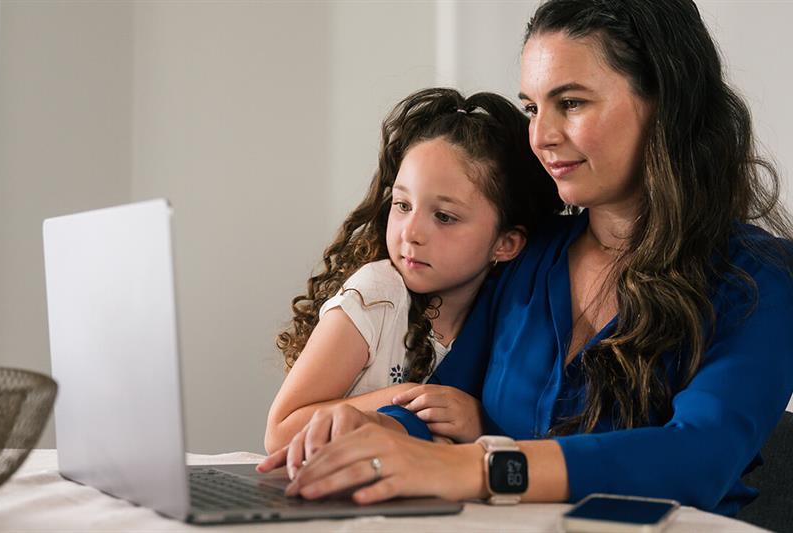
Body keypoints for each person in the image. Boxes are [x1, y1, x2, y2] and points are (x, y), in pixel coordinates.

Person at [259, 0, 793, 516]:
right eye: (533, 108)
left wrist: (478, 468)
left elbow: (699, 458)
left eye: (573, 103)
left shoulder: (760, 279)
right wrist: (381, 439)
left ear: (667, 103)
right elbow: (442, 405)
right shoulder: (530, 257)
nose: (540, 136)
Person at [263, 88, 563, 465]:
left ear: (505, 243)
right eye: (402, 205)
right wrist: (407, 398)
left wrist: (473, 422)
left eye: (444, 217)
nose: (411, 232)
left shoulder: (501, 320)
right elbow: (280, 432)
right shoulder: (377, 295)